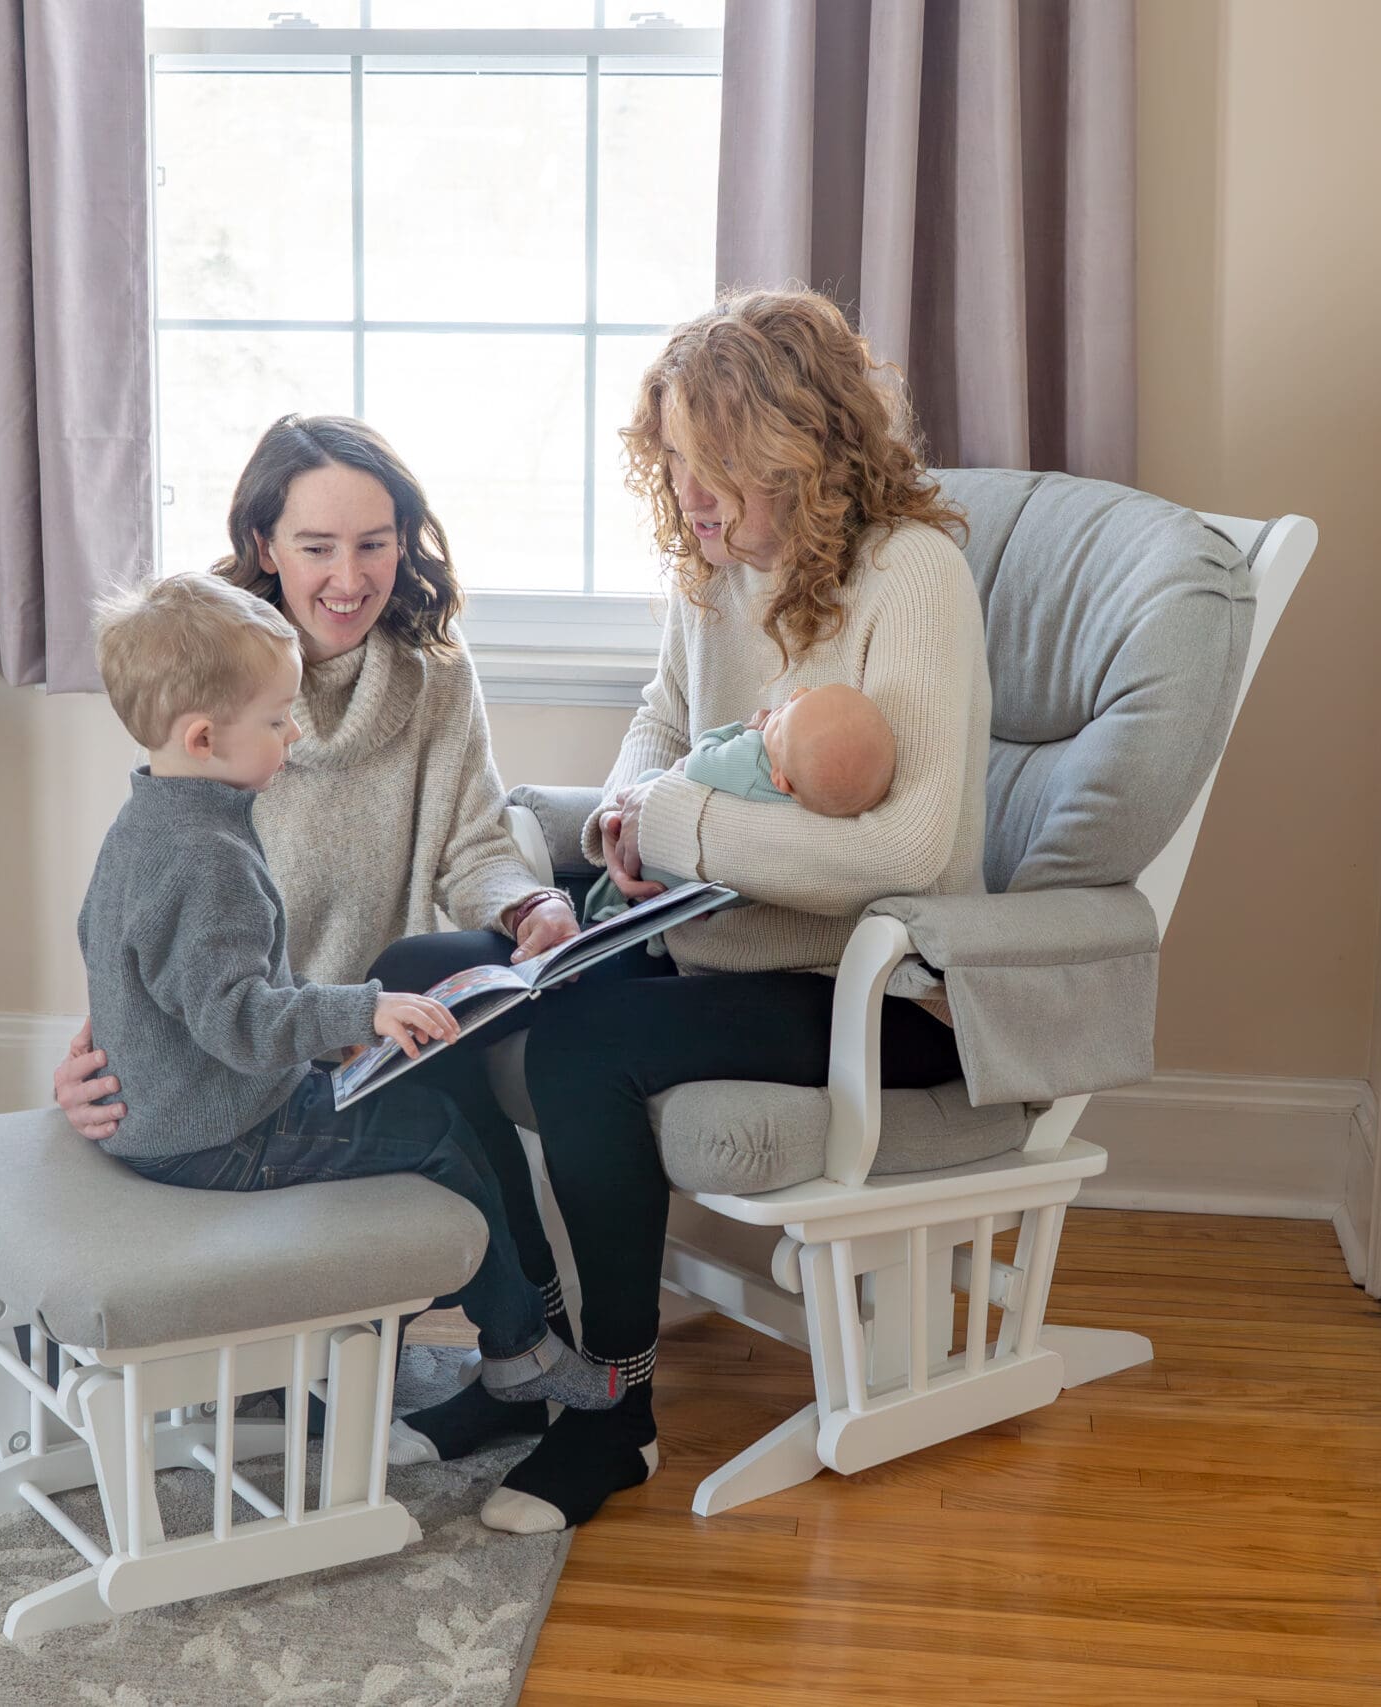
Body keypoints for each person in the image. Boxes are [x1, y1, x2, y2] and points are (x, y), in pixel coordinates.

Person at [476, 287, 995, 1535]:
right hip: (710, 954)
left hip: (878, 994)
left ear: (797, 449)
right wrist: (618, 808)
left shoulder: (911, 575)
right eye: (672, 466)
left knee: (587, 1045)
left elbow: (910, 853)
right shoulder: (712, 577)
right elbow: (658, 723)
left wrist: (674, 824)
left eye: (711, 469)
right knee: (451, 979)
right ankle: (528, 1352)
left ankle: (617, 1411)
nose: (689, 499)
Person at [56, 416, 586, 1455]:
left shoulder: (430, 674)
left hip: (368, 1025)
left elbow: (474, 840)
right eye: (317, 547)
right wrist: (97, 1049)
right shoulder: (210, 676)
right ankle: (499, 1348)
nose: (351, 577)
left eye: (375, 543)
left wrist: (529, 904)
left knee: (439, 1076)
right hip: (256, 1044)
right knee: (283, 1412)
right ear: (264, 544)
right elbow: (157, 929)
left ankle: (516, 1344)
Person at [582, 682, 897, 922]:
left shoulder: (751, 756)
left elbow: (698, 762)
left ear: (781, 780)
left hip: (665, 873)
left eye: (785, 716)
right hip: (706, 901)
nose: (797, 693)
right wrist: (613, 809)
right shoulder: (814, 793)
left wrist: (740, 730)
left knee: (651, 776)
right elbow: (662, 720)